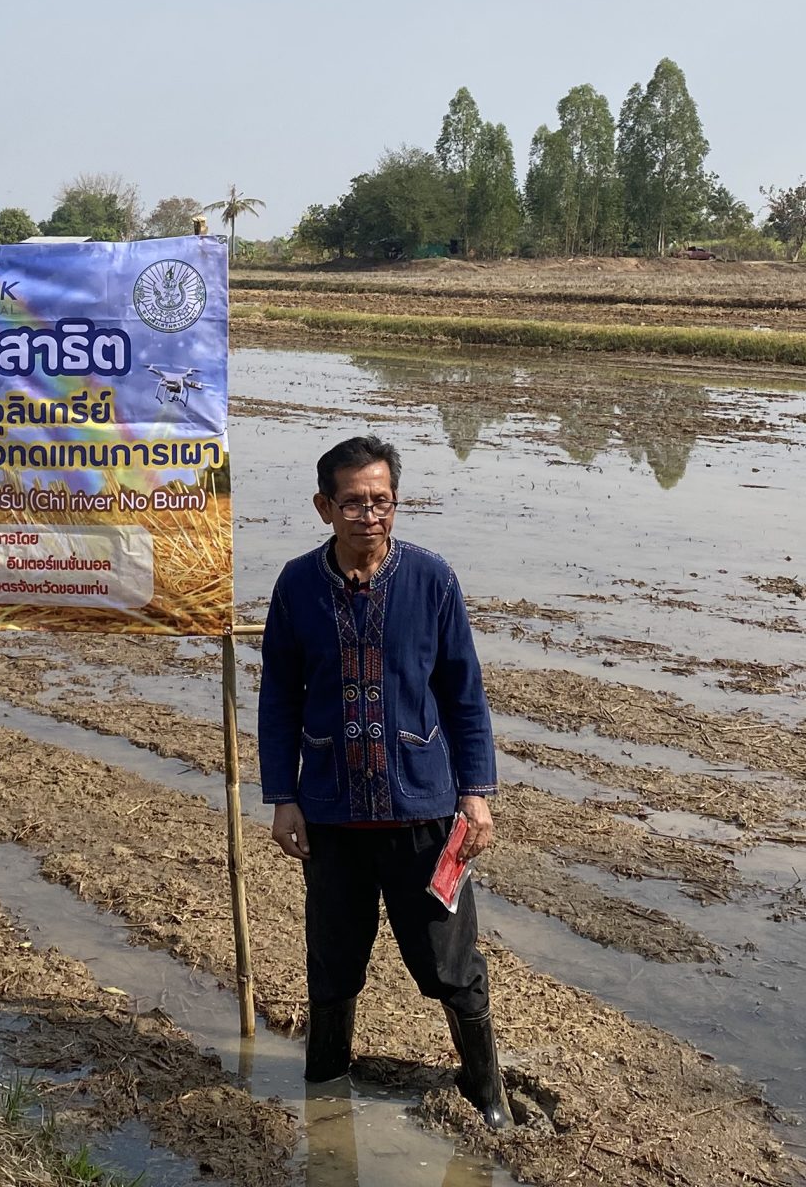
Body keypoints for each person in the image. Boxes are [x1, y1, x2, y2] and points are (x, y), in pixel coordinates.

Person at [257, 434, 509, 1128]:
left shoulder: (433, 581)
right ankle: (326, 1092)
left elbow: (464, 695)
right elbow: (278, 696)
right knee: (333, 965)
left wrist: (476, 795)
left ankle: (488, 1096)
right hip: (331, 816)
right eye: (354, 503)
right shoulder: (298, 586)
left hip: (424, 816)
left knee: (450, 968)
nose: (370, 515)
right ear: (324, 507)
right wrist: (283, 797)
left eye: (382, 501)